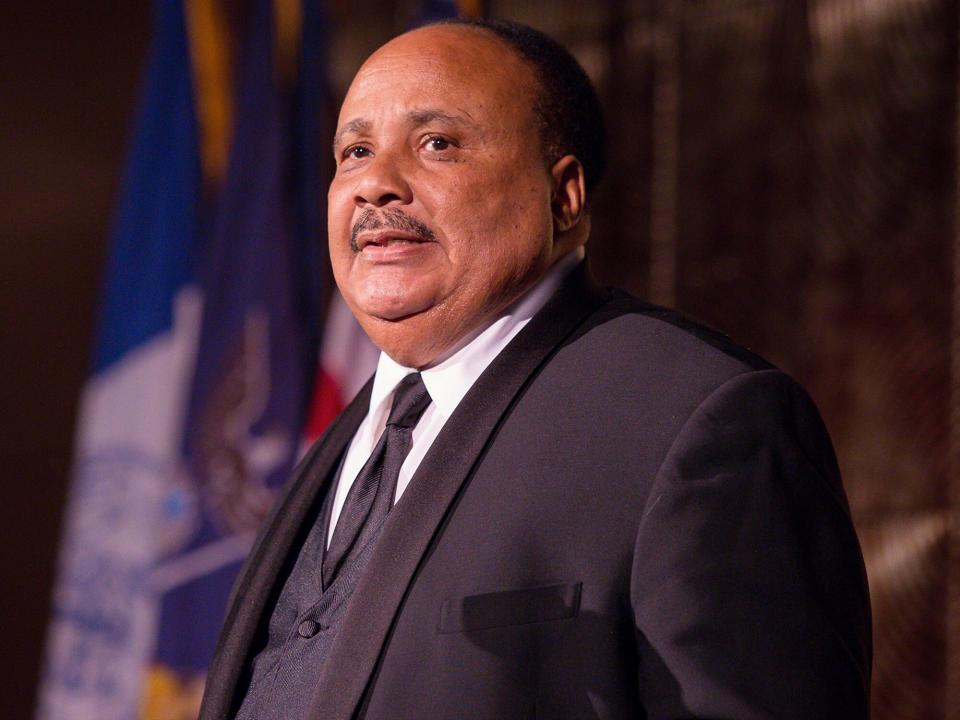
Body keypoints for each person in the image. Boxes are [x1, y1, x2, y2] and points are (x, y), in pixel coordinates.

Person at [199, 18, 871, 720]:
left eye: (437, 144)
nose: (375, 185)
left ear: (565, 196)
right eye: (355, 150)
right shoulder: (345, 443)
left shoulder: (706, 423)